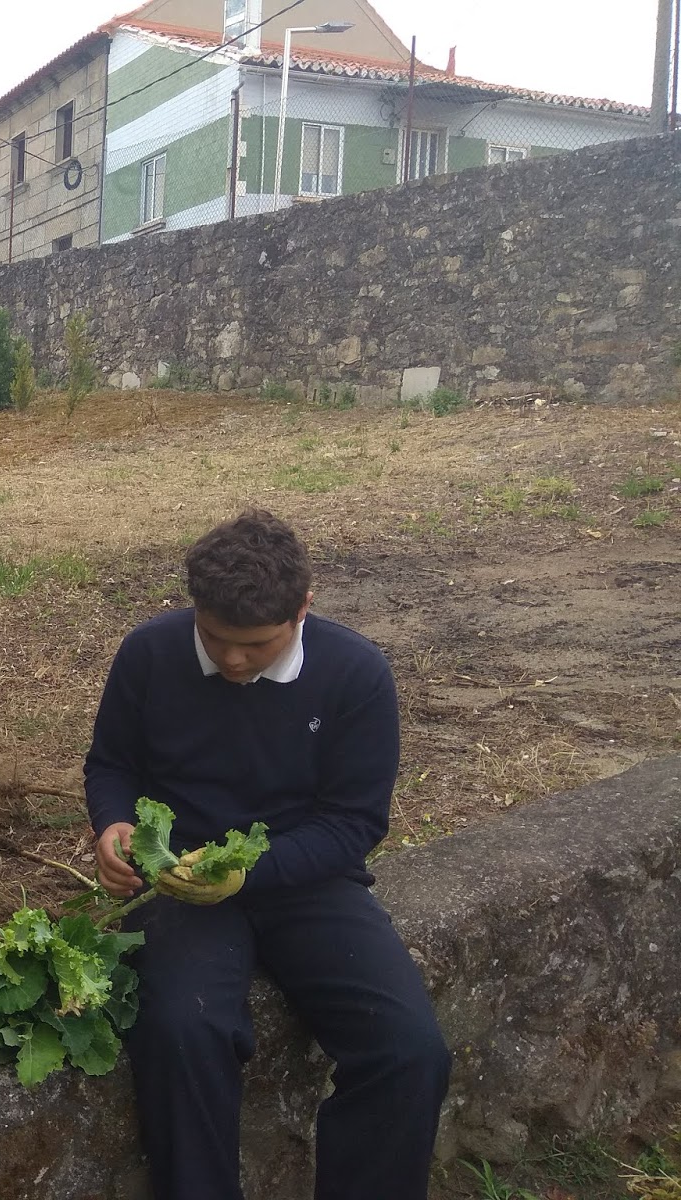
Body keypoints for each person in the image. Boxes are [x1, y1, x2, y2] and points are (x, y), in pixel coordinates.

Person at [84, 510, 450, 1200]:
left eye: (255, 644)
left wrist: (250, 872)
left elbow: (353, 823)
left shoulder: (356, 674)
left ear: (303, 610)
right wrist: (113, 827)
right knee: (180, 1030)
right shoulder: (149, 652)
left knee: (409, 1052)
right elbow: (111, 765)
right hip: (181, 886)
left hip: (309, 881)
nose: (231, 659)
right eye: (215, 637)